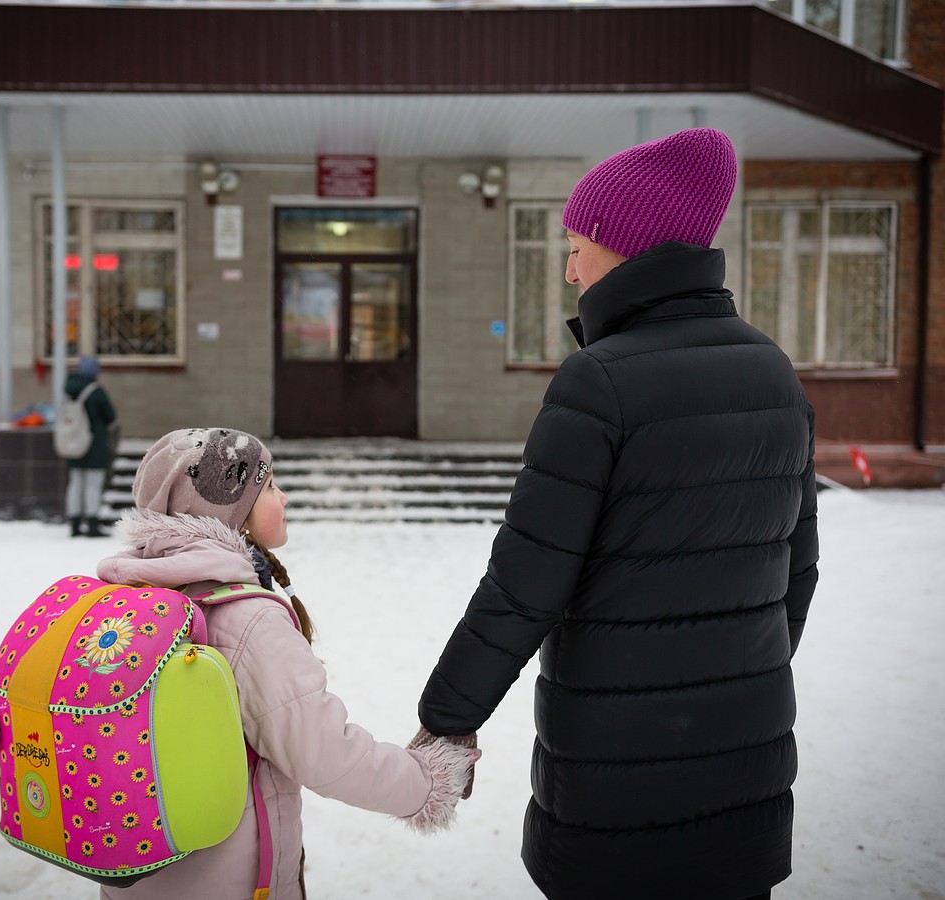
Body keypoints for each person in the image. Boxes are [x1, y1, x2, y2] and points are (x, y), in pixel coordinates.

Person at [414, 128, 819, 900]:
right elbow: (796, 574)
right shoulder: (773, 371)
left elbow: (525, 582)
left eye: (578, 244)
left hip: (614, 773)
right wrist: (735, 674)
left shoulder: (599, 383)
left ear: (629, 249)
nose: (569, 268)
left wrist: (447, 717)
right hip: (745, 761)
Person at [96, 427, 476, 900]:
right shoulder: (246, 621)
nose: (284, 496)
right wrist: (426, 782)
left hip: (139, 879)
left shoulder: (130, 601)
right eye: (270, 486)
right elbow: (325, 753)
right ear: (233, 512)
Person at [62, 355, 118, 537]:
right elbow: (110, 416)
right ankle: (92, 522)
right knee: (93, 484)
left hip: (74, 442)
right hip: (94, 443)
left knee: (75, 483)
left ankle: (74, 523)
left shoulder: (69, 390)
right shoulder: (96, 391)